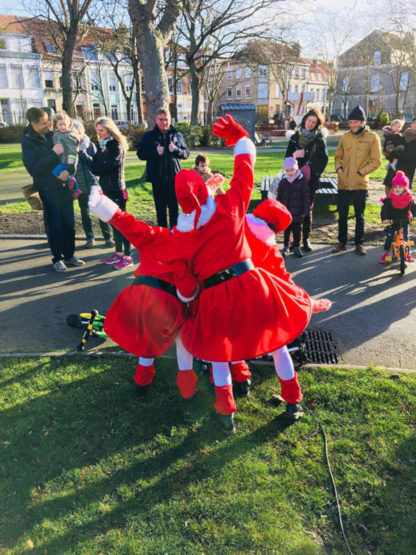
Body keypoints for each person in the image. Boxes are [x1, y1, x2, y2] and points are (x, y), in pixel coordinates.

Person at [172, 115, 313, 433]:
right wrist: (241, 137)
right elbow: (245, 168)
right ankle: (293, 400)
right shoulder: (230, 205)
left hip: (214, 296)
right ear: (206, 190)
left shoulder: (181, 234)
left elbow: (184, 281)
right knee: (277, 342)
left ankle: (226, 413)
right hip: (252, 285)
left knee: (219, 353)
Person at [87, 186, 199, 397]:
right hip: (167, 302)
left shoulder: (159, 235)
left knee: (145, 339)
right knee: (182, 336)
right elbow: (191, 287)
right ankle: (187, 385)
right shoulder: (194, 250)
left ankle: (142, 382)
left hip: (137, 296)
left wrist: (106, 207)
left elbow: (132, 226)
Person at [21, 107, 85, 272]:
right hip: (47, 187)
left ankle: (70, 255)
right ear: (33, 123)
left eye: (48, 121)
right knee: (55, 224)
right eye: (43, 123)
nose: (48, 125)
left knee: (69, 223)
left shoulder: (53, 134)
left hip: (64, 184)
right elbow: (33, 168)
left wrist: (69, 171)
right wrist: (52, 153)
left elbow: (70, 154)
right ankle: (57, 258)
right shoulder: (28, 141)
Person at [82, 116, 132, 270]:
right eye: (97, 131)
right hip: (107, 190)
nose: (99, 134)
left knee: (122, 225)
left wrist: (90, 160)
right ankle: (118, 253)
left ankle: (128, 256)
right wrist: (96, 164)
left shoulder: (116, 146)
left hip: (117, 190)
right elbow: (96, 166)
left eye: (102, 130)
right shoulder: (102, 146)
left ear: (110, 130)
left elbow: (104, 168)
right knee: (114, 223)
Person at [332, 105, 382, 255]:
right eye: (351, 122)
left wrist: (361, 172)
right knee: (342, 215)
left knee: (359, 216)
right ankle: (342, 242)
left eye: (356, 122)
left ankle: (359, 243)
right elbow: (338, 156)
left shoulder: (372, 138)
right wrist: (338, 168)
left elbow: (376, 161)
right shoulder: (345, 137)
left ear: (363, 122)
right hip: (343, 183)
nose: (353, 125)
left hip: (360, 183)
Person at [137, 107, 189, 228]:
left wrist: (176, 150)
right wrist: (155, 151)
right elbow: (140, 154)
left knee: (174, 212)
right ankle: (163, 238)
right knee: (160, 212)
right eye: (161, 119)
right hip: (157, 181)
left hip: (174, 180)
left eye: (166, 119)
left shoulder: (177, 135)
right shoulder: (149, 136)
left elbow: (186, 153)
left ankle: (174, 237)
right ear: (156, 120)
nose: (164, 122)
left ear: (170, 119)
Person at [285, 108, 328, 251]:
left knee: (307, 210)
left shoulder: (319, 139)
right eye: (309, 120)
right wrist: (295, 156)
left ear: (317, 124)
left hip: (310, 181)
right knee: (293, 209)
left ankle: (306, 239)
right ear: (304, 120)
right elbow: (287, 158)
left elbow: (324, 159)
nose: (310, 124)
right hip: (294, 180)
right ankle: (292, 240)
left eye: (313, 122)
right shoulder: (295, 137)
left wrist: (315, 173)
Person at [72, 120, 114, 249]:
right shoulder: (70, 147)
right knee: (84, 213)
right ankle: (90, 237)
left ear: (83, 131)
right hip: (80, 185)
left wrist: (82, 153)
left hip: (94, 184)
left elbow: (94, 163)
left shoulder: (90, 145)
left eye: (78, 132)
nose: (76, 135)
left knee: (101, 211)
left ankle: (108, 237)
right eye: (73, 133)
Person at [379, 171, 416, 263]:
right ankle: (385, 253)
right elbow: (384, 210)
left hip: (404, 221)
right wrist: (385, 219)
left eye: (400, 187)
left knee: (406, 238)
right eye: (395, 187)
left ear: (405, 188)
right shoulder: (389, 199)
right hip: (392, 221)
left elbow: (414, 208)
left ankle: (408, 254)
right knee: (389, 237)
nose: (397, 189)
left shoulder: (409, 198)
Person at [276, 157, 310, 258]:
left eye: (292, 170)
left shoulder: (302, 181)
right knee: (286, 230)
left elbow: (306, 197)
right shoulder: (283, 181)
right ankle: (286, 246)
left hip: (298, 211)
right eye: (287, 170)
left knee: (297, 231)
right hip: (286, 211)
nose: (290, 173)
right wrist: (278, 208)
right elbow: (279, 195)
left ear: (296, 169)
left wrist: (305, 210)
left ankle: (297, 247)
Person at [52, 111, 82, 200]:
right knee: (62, 174)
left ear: (69, 124)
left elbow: (73, 150)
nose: (63, 127)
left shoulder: (69, 135)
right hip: (62, 158)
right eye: (60, 125)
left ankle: (71, 182)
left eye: (64, 124)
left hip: (67, 160)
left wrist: (71, 162)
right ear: (56, 125)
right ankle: (76, 189)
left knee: (56, 172)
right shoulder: (58, 134)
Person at [382, 119, 405, 193]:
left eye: (398, 127)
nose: (397, 128)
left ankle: (389, 164)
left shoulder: (392, 134)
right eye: (395, 126)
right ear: (391, 126)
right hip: (392, 150)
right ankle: (392, 163)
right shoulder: (393, 135)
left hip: (392, 153)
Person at [402, 117, 416, 189]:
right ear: (411, 124)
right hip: (404, 161)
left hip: (413, 162)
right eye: (415, 123)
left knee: (409, 181)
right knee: (403, 181)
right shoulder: (406, 134)